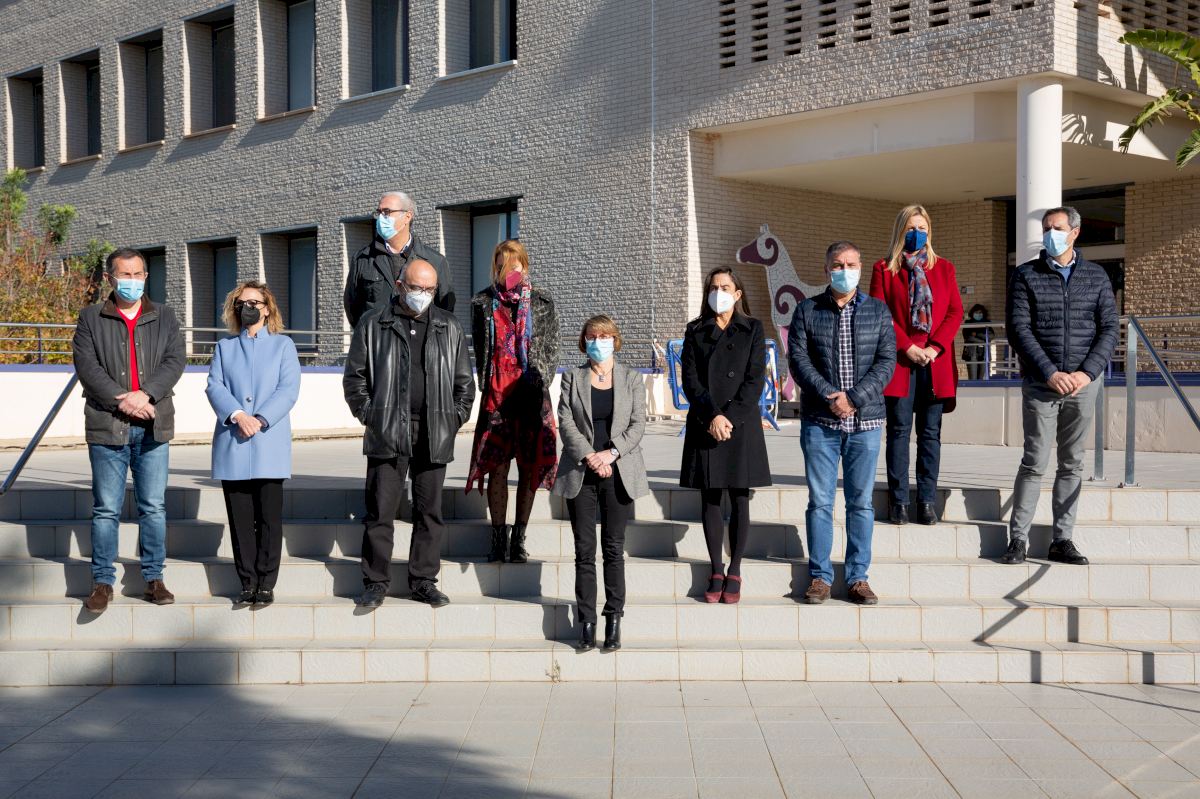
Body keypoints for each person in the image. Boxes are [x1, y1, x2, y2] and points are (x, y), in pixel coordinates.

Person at [343, 259, 476, 608]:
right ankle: (375, 582)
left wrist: (452, 418)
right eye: (417, 287)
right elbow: (355, 379)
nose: (423, 294)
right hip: (387, 428)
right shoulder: (373, 323)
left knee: (429, 512)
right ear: (400, 285)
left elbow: (465, 384)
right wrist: (372, 415)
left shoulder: (448, 326)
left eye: (430, 289)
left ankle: (423, 581)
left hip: (433, 430)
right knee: (380, 511)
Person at [1003, 206, 1119, 566]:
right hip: (1042, 384)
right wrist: (1050, 372)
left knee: (1072, 462)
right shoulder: (1026, 275)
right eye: (1046, 228)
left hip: (1083, 385)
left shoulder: (1096, 276)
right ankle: (1018, 540)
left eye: (1057, 228)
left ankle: (1062, 539)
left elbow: (1109, 329)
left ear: (1075, 232)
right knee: (1034, 461)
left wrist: (1087, 373)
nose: (1050, 234)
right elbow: (1019, 329)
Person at [71, 248, 185, 613]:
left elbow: (175, 361)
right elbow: (87, 366)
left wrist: (145, 394)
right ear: (109, 278)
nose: (132, 281)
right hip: (108, 425)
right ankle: (102, 582)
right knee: (106, 508)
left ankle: (154, 578)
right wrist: (124, 400)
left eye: (138, 274)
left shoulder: (165, 316)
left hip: (153, 424)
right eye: (125, 274)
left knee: (154, 506)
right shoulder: (90, 318)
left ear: (146, 277)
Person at [788, 242, 895, 605]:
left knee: (861, 503)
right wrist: (830, 395)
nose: (844, 270)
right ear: (826, 269)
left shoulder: (878, 311)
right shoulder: (807, 310)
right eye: (837, 264)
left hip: (866, 422)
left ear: (860, 268)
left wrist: (854, 398)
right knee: (820, 501)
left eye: (850, 264)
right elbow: (798, 360)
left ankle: (858, 578)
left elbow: (886, 362)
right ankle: (820, 577)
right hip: (820, 422)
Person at [553, 315, 649, 652]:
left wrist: (611, 453)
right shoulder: (572, 377)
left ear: (615, 340)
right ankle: (586, 622)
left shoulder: (631, 378)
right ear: (584, 341)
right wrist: (590, 455)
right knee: (584, 551)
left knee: (613, 549)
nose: (599, 341)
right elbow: (565, 421)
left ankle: (613, 620)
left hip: (618, 471)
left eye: (605, 336)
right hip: (581, 471)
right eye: (593, 336)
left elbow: (638, 424)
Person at [205, 281, 301, 606]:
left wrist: (258, 418)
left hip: (268, 440)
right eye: (241, 303)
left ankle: (266, 582)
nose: (247, 308)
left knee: (269, 519)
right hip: (234, 440)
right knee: (240, 520)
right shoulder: (224, 347)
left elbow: (288, 389)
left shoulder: (283, 345)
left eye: (254, 302)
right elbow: (215, 385)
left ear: (267, 308)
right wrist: (237, 414)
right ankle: (247, 582)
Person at [680, 266, 771, 605]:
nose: (719, 292)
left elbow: (755, 379)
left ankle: (735, 569)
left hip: (740, 423)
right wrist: (713, 415)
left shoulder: (753, 328)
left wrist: (729, 417)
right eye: (713, 287)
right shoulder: (695, 330)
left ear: (738, 293)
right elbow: (690, 380)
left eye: (725, 287)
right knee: (711, 496)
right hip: (707, 420)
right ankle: (716, 569)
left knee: (739, 496)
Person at [466, 240, 560, 563]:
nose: (509, 271)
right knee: (497, 467)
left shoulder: (542, 302)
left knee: (528, 467)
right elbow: (481, 350)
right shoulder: (482, 302)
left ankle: (518, 538)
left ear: (525, 265)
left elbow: (552, 348)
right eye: (502, 265)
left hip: (529, 394)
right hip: (497, 396)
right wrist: (485, 383)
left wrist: (540, 378)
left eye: (515, 264)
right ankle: (498, 539)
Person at [870, 205, 964, 526]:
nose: (917, 233)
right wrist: (907, 347)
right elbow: (879, 313)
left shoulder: (944, 268)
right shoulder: (884, 269)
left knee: (930, 433)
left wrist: (934, 347)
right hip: (900, 360)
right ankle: (898, 501)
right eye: (911, 228)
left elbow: (954, 312)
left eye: (922, 227)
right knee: (898, 431)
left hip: (935, 362)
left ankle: (926, 500)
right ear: (900, 231)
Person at [343, 191, 455, 327]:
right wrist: (368, 334)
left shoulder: (434, 261)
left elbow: (445, 308)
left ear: (407, 216)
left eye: (387, 212)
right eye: (378, 212)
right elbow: (352, 307)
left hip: (419, 338)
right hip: (378, 338)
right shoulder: (363, 259)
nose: (380, 218)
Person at [962, 303, 994, 381]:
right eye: (976, 312)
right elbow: (968, 338)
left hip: (984, 353)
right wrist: (983, 340)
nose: (978, 314)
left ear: (983, 313)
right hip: (971, 353)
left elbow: (991, 336)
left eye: (980, 312)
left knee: (982, 379)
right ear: (972, 313)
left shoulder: (987, 322)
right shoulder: (968, 323)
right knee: (972, 379)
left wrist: (976, 334)